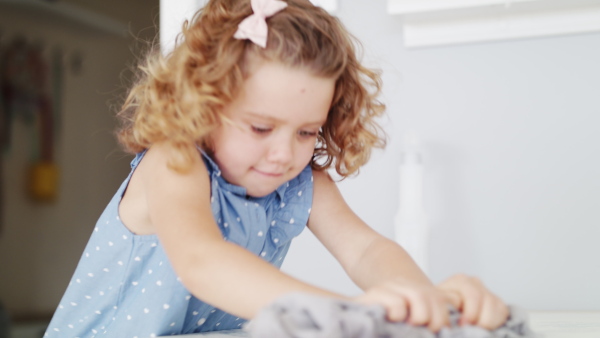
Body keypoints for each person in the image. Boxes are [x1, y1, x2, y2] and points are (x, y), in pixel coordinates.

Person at [44, 0, 509, 336]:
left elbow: (365, 250)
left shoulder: (299, 182)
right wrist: (352, 314)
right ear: (205, 105)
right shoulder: (175, 163)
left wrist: (421, 306)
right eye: (262, 128)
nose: (285, 154)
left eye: (307, 132)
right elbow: (203, 263)